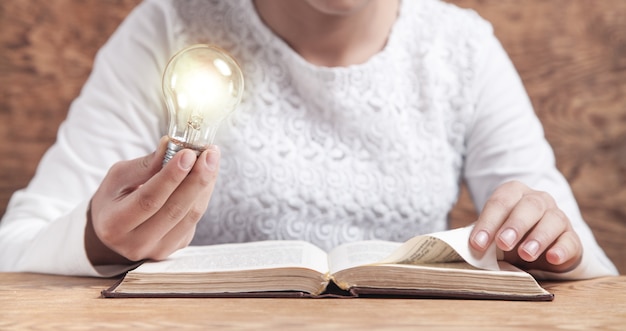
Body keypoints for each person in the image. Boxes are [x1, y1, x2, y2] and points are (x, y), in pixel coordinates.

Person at [0, 0, 617, 278]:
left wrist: (548, 241)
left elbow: (589, 269)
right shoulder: (168, 27)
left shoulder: (461, 51)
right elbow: (14, 249)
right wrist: (97, 236)